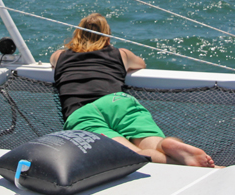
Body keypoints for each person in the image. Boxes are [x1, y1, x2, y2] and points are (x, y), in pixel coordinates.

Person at [51, 13, 217, 168]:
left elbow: (53, 63)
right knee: (153, 141)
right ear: (107, 37)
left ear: (77, 35)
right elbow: (141, 64)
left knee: (133, 153)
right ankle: (166, 146)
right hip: (118, 101)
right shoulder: (121, 54)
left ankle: (178, 162)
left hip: (82, 113)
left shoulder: (59, 56)